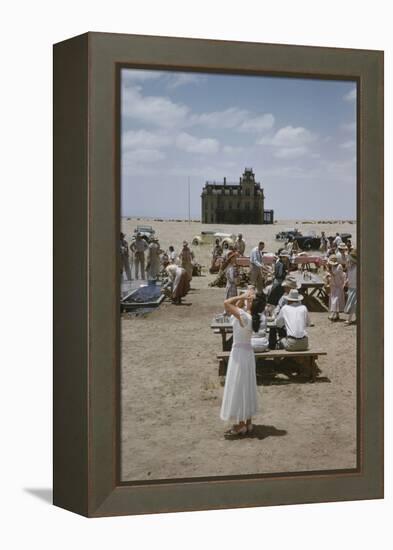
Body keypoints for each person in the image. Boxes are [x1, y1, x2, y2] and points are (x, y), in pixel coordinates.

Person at [220, 289, 259, 435]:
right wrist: (245, 298)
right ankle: (248, 422)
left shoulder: (243, 315)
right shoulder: (251, 316)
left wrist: (241, 296)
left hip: (239, 354)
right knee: (247, 384)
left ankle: (241, 424)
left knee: (239, 385)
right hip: (247, 352)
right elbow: (237, 306)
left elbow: (227, 303)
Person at [325, 255, 345, 321]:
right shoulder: (332, 266)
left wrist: (328, 269)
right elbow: (330, 274)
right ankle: (336, 315)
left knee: (336, 300)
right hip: (333, 285)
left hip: (338, 285)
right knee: (333, 300)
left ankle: (333, 314)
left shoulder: (339, 266)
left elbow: (334, 274)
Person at [344, 249, 357, 324]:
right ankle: (356, 318)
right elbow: (349, 276)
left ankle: (349, 319)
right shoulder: (350, 267)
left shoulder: (357, 268)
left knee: (353, 304)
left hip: (356, 287)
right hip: (351, 287)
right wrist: (346, 281)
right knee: (354, 304)